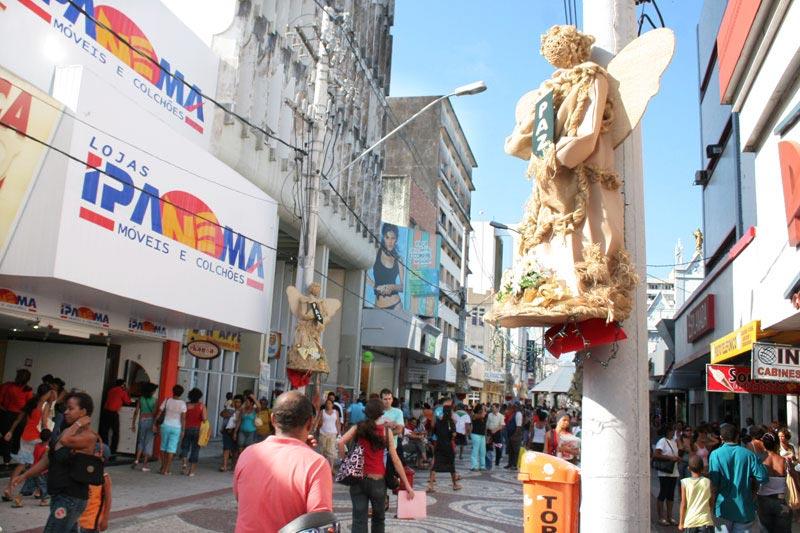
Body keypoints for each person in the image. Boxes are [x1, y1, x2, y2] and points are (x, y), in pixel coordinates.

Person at [234, 391, 333, 532]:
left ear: (273, 419)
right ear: (310, 423)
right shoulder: (317, 465)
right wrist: (304, 454)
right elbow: (319, 523)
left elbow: (242, 497)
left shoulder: (247, 454)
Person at [10, 392, 99, 532]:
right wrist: (24, 475)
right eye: (66, 408)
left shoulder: (89, 436)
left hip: (71, 498)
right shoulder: (66, 432)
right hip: (59, 496)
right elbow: (47, 460)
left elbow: (65, 441)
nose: (66, 412)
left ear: (83, 412)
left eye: (71, 408)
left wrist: (78, 423)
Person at [339, 398, 414, 533]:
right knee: (379, 519)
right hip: (378, 481)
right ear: (381, 413)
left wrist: (345, 459)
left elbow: (340, 442)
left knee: (359, 519)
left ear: (366, 412)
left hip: (358, 479)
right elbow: (396, 460)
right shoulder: (386, 431)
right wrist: (407, 485)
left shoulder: (358, 427)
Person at [708, 424, 768, 532]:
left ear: (721, 438)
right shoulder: (749, 454)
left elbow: (714, 484)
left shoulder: (715, 454)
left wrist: (710, 506)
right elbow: (762, 477)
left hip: (722, 509)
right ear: (737, 436)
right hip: (745, 508)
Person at [3, 383, 54, 500]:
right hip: (37, 436)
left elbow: (19, 418)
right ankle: (39, 491)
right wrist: (48, 436)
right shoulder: (45, 405)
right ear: (46, 393)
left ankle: (8, 489)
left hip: (25, 436)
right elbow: (44, 423)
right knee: (40, 464)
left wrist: (10, 431)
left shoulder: (31, 402)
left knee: (22, 463)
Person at [756, 432, 792, 532]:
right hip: (781, 500)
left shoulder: (758, 460)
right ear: (777, 444)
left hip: (762, 500)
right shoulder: (784, 460)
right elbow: (793, 476)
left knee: (765, 529)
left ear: (763, 444)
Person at [367, 223, 405, 309]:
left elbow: (403, 287)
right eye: (387, 237)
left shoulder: (399, 259)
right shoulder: (376, 252)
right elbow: (363, 273)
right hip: (378, 306)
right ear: (383, 238)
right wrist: (375, 286)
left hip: (396, 305)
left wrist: (391, 287)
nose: (390, 242)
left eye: (393, 238)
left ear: (396, 239)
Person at [0, 369, 33, 465]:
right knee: (17, 437)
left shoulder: (8, 386)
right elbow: (29, 406)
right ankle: (13, 455)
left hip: (8, 414)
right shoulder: (28, 390)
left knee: (7, 437)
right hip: (22, 416)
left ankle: (6, 459)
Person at [427, 404, 461, 492]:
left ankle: (431, 485)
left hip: (439, 445)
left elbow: (434, 431)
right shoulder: (451, 422)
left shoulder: (438, 422)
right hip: (448, 446)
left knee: (435, 465)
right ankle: (455, 484)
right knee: (451, 465)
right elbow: (454, 434)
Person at [153, 385, 186, 476]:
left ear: (173, 391)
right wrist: (183, 430)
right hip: (176, 427)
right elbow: (183, 418)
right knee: (171, 449)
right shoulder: (182, 404)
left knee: (163, 446)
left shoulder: (167, 400)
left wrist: (155, 424)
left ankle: (163, 466)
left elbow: (159, 413)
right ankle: (166, 469)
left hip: (165, 425)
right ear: (181, 393)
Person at [678, 454, 715, 532]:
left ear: (688, 468)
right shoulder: (708, 482)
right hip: (706, 521)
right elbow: (711, 501)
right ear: (702, 468)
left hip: (690, 521)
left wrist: (681, 523)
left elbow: (683, 504)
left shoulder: (684, 482)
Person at [654, 425, 681, 527]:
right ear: (668, 431)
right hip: (664, 472)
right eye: (672, 430)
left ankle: (669, 517)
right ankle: (661, 517)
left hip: (673, 471)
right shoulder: (662, 441)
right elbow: (656, 455)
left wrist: (676, 458)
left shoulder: (674, 442)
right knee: (663, 493)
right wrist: (670, 458)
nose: (673, 432)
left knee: (670, 495)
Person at [179, 388, 207, 477]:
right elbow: (204, 419)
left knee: (185, 447)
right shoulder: (201, 406)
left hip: (187, 428)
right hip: (197, 430)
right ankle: (191, 471)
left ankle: (184, 463)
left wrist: (182, 429)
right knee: (195, 449)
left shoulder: (186, 405)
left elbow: (182, 417)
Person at [98, 379, 130, 456]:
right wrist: (126, 392)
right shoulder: (122, 391)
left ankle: (105, 449)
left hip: (105, 412)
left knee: (104, 431)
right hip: (113, 413)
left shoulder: (111, 390)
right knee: (116, 432)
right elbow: (128, 402)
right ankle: (113, 451)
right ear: (123, 385)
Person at [131, 382, 157, 472]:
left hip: (142, 421)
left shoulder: (140, 399)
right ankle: (144, 465)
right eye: (154, 390)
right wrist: (154, 424)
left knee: (141, 441)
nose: (154, 392)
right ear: (151, 391)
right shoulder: (154, 400)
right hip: (150, 421)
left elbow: (136, 412)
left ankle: (136, 460)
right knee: (148, 442)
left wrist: (133, 424)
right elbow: (154, 414)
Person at [315, 398, 341, 469]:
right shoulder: (322, 411)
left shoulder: (336, 412)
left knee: (331, 451)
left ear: (332, 405)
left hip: (333, 434)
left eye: (329, 403)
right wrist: (315, 428)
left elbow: (338, 423)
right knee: (322, 450)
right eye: (326, 403)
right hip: (323, 433)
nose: (328, 405)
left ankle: (331, 468)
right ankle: (322, 467)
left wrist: (339, 433)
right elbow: (317, 421)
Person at [220, 395, 242, 472]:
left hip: (237, 431)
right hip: (227, 430)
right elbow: (222, 414)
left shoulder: (242, 411)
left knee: (235, 449)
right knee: (226, 448)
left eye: (239, 402)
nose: (237, 403)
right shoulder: (230, 409)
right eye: (235, 402)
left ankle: (233, 466)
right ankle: (225, 466)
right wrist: (228, 407)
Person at [504, 404, 523, 470]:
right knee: (510, 450)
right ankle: (510, 464)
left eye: (513, 407)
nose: (511, 408)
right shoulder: (513, 414)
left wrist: (515, 435)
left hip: (515, 436)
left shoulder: (518, 414)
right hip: (510, 435)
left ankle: (514, 465)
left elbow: (518, 427)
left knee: (516, 451)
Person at [487, 403, 505, 468]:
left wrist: (495, 430)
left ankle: (497, 462)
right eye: (492, 407)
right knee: (488, 448)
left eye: (494, 407)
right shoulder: (489, 415)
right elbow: (487, 424)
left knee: (498, 448)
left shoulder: (501, 416)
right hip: (489, 433)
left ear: (497, 409)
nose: (492, 408)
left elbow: (502, 425)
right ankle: (488, 462)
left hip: (497, 433)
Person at [470, 404, 487, 471]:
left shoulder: (484, 415)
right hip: (475, 434)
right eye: (483, 408)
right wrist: (483, 411)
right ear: (479, 409)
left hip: (482, 435)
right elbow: (481, 416)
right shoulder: (474, 415)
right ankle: (474, 466)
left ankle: (482, 466)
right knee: (475, 450)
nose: (484, 409)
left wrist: (486, 435)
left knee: (483, 451)